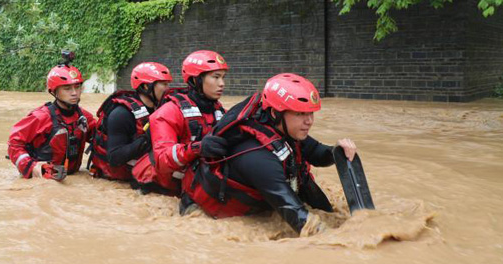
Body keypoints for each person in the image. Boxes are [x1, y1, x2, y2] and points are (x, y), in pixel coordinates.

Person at [187, 73, 357, 236]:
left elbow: (315, 152)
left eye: (310, 113)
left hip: (265, 197)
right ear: (276, 113)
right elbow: (297, 216)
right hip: (216, 214)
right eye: (300, 113)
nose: (309, 121)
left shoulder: (284, 128)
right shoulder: (258, 158)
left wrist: (336, 151)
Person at [131, 50, 229, 196]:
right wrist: (197, 148)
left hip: (194, 177)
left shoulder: (218, 110)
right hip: (157, 183)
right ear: (196, 80)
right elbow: (163, 160)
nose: (222, 84)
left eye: (223, 77)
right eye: (216, 77)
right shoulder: (169, 112)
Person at [8, 55, 96, 180]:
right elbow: (14, 143)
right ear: (54, 91)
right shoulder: (40, 117)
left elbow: (102, 139)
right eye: (67, 88)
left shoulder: (84, 117)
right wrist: (31, 166)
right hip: (45, 180)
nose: (74, 93)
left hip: (73, 176)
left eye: (77, 87)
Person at [88, 62, 172, 185]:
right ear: (145, 87)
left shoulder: (159, 108)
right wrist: (147, 138)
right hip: (118, 179)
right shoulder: (121, 114)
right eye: (164, 84)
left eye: (168, 84)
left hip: (144, 171)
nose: (167, 89)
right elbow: (114, 158)